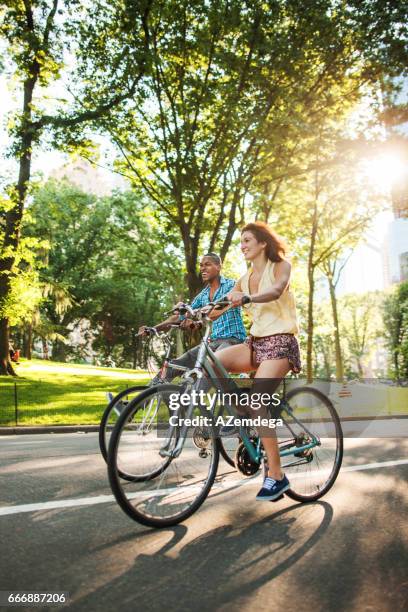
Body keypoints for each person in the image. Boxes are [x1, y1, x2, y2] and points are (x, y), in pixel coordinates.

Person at [215, 221, 301, 502]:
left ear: (263, 243)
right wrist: (193, 315)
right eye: (241, 241)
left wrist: (247, 297)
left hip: (281, 342)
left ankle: (276, 476)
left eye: (247, 240)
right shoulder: (244, 278)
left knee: (257, 401)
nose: (242, 245)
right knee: (214, 361)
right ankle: (245, 417)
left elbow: (276, 290)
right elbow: (223, 306)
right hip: (256, 343)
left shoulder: (281, 266)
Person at [138, 253, 246, 382]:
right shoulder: (203, 295)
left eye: (207, 264)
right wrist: (153, 329)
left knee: (210, 368)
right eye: (201, 265)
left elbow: (223, 306)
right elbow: (180, 315)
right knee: (173, 366)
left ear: (218, 267)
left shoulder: (231, 285)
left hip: (232, 340)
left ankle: (196, 400)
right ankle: (141, 400)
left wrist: (196, 317)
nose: (202, 268)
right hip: (211, 342)